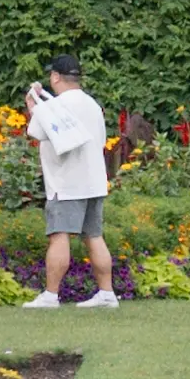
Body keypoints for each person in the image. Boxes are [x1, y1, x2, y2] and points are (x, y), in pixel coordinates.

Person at [26, 59, 119, 308]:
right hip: (94, 181)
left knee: (59, 236)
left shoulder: (55, 106)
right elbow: (100, 140)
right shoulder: (92, 105)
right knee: (94, 236)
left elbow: (36, 132)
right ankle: (107, 293)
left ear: (56, 77)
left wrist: (33, 106)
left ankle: (50, 295)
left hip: (66, 182)